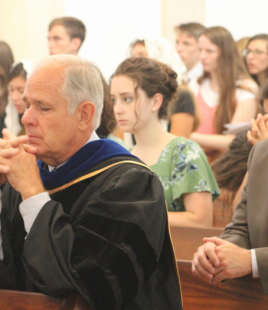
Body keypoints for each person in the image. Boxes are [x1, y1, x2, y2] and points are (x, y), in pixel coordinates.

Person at [0, 55, 187, 310]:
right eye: (27, 105)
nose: (26, 118)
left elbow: (89, 288)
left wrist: (32, 193)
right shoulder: (26, 173)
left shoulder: (130, 183)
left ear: (84, 115)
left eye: (43, 107)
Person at [112, 57, 219, 227]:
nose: (117, 109)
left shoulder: (183, 151)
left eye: (127, 99)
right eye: (114, 100)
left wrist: (136, 217)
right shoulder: (124, 155)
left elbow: (201, 219)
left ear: (155, 102)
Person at [192, 138, 268, 292]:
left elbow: (249, 259)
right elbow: (241, 228)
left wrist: (253, 260)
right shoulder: (261, 151)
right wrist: (216, 253)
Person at [189, 27, 258, 158]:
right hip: (194, 162)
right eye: (200, 50)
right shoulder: (195, 84)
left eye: (210, 51)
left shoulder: (244, 89)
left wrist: (187, 134)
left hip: (225, 168)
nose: (202, 56)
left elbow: (233, 141)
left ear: (225, 53)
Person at [128, 38, 199, 140]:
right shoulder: (132, 95)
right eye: (133, 57)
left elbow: (177, 147)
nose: (135, 62)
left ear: (159, 56)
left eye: (142, 55)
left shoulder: (181, 95)